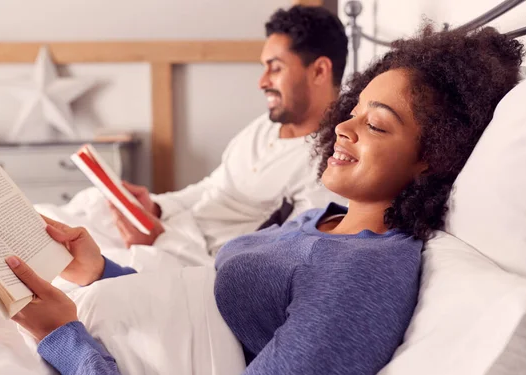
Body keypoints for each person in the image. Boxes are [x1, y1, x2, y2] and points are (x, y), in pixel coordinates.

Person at [7, 26, 524, 375]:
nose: (344, 127)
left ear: (435, 158)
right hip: (87, 343)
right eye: (356, 109)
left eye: (378, 125)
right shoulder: (321, 220)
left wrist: (65, 339)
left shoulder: (363, 276)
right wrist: (101, 270)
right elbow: (215, 304)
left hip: (88, 364)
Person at [105, 5, 349, 260]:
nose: (262, 82)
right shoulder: (263, 128)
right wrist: (156, 207)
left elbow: (276, 260)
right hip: (176, 230)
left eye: (275, 68)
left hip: (196, 258)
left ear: (320, 71)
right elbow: (214, 186)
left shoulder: (329, 163)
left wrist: (160, 240)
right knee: (88, 207)